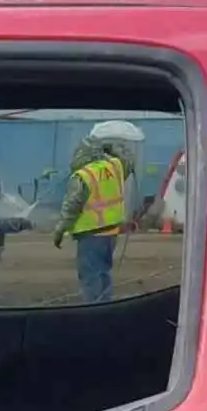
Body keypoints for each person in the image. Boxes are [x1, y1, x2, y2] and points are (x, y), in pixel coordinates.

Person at [48, 120, 144, 303]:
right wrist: (111, 148)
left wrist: (60, 231)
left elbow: (71, 207)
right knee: (104, 271)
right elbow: (129, 160)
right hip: (110, 233)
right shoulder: (114, 167)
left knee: (90, 274)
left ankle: (93, 307)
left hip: (90, 234)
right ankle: (105, 303)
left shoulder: (83, 176)